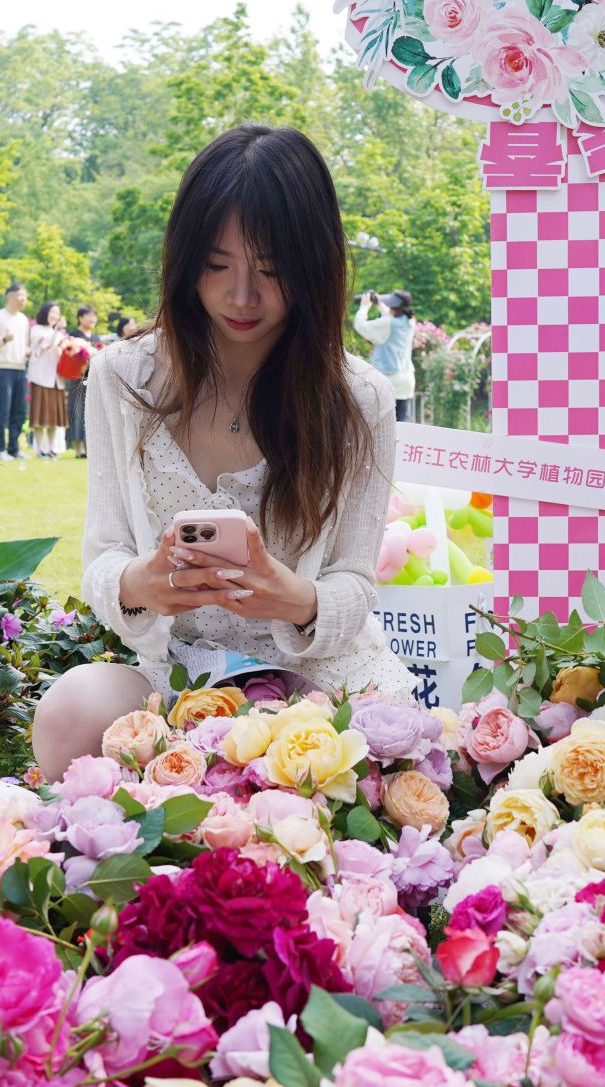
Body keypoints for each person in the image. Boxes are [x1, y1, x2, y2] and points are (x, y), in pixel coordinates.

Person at [32, 124, 415, 778]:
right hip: (180, 672)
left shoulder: (357, 398)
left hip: (315, 675)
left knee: (373, 762)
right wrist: (143, 582)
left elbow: (355, 583)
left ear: (314, 267)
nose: (241, 296)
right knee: (71, 712)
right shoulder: (124, 377)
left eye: (271, 270)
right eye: (217, 265)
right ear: (186, 261)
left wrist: (294, 599)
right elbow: (103, 556)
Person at [353, 288, 417, 420]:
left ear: (393, 306)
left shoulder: (387, 323)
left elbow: (360, 325)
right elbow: (391, 317)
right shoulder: (410, 322)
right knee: (402, 423)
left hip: (387, 381)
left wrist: (364, 306)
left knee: (382, 423)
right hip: (405, 381)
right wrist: (379, 304)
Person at [0, 282, 30, 460]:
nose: (23, 300)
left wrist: (27, 351)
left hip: (20, 368)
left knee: (20, 411)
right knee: (3, 410)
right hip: (2, 368)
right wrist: (4, 339)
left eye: (25, 296)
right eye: (20, 296)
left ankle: (14, 448)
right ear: (9, 297)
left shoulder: (23, 319)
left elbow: (25, 343)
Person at [25, 301, 69, 459]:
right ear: (45, 313)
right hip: (40, 377)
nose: (55, 316)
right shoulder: (36, 330)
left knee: (53, 417)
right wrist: (57, 330)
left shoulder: (60, 334)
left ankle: (50, 448)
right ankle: (39, 449)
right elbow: (45, 346)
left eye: (57, 313)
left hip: (56, 379)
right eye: (52, 312)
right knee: (39, 416)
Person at [65, 304, 102, 459]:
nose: (93, 319)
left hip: (92, 380)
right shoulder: (74, 336)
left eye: (94, 316)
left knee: (91, 413)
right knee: (76, 412)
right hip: (77, 380)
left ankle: (89, 449)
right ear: (80, 318)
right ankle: (77, 449)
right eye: (89, 316)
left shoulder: (96, 338)